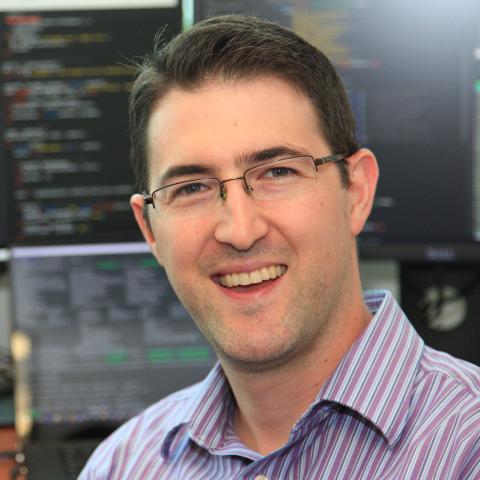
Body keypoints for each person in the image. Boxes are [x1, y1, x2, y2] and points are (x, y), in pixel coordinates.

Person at [80, 15, 480, 479]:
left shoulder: (466, 447)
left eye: (278, 172)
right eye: (191, 188)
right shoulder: (122, 465)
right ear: (150, 230)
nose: (240, 230)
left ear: (356, 192)